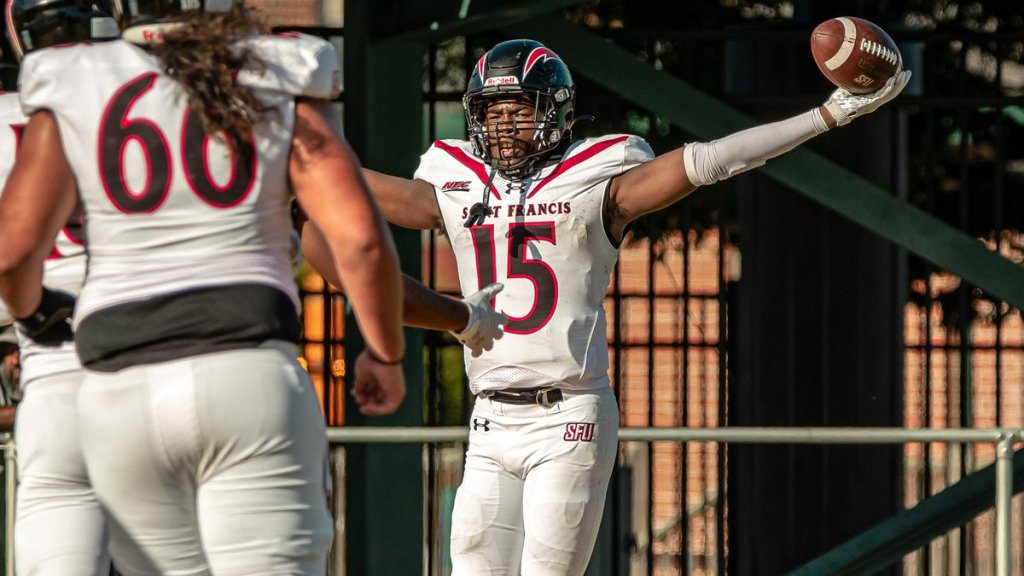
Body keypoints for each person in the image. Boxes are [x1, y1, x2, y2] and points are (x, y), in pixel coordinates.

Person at [362, 38, 910, 575]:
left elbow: (714, 159)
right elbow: (351, 192)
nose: (505, 124)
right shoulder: (455, 180)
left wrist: (825, 116)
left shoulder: (595, 176)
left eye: (520, 109)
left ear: (555, 111)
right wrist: (309, 154)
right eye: (493, 110)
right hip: (489, 417)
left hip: (567, 415)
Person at [0, 1, 468, 573]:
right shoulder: (275, 70)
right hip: (246, 365)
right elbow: (361, 242)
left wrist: (36, 315)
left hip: (119, 382)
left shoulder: (76, 79)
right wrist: (385, 353)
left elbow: (13, 253)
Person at [0, 2, 118, 572]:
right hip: (167, 352)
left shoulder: (16, 120)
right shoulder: (166, 97)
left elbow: (11, 259)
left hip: (59, 367)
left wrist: (28, 314)